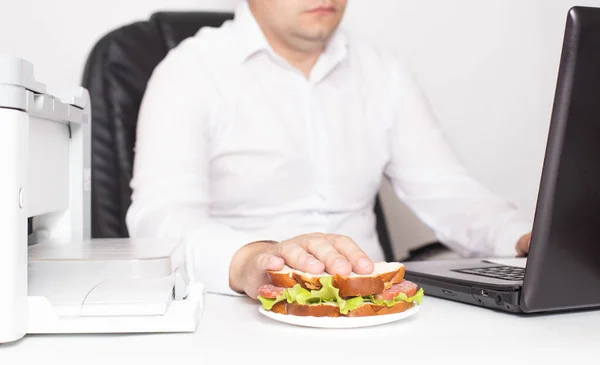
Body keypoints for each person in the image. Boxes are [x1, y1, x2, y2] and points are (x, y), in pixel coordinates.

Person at [125, 0, 533, 299]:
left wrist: (524, 237)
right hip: (242, 313)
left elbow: (448, 192)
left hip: (378, 310)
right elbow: (161, 220)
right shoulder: (190, 71)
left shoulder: (382, 71)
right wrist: (253, 261)